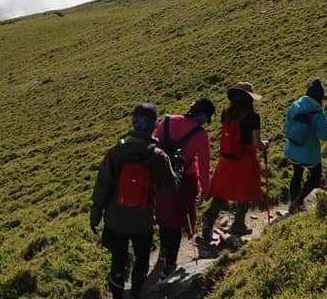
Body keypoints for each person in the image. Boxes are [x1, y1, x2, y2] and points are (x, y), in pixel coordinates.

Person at [90, 103, 180, 299]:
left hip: (115, 220)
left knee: (117, 261)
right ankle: (136, 294)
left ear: (133, 122)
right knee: (141, 261)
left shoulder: (115, 152)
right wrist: (177, 171)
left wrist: (95, 216)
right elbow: (169, 191)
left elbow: (102, 187)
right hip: (143, 222)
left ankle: (117, 296)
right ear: (153, 125)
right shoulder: (159, 156)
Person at [152, 97, 215, 278]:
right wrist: (206, 190)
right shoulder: (201, 135)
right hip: (185, 180)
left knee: (164, 216)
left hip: (162, 177)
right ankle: (170, 263)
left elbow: (154, 147)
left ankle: (163, 252)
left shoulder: (167, 121)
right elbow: (204, 166)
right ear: (204, 116)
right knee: (177, 222)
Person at [201, 82, 267, 241]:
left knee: (221, 191)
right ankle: (238, 223)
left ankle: (209, 218)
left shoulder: (226, 113)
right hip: (245, 159)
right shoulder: (253, 117)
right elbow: (256, 143)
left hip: (226, 159)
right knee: (245, 190)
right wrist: (265, 144)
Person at [283, 78, 327, 213]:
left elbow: (286, 126)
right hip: (309, 153)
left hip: (293, 147)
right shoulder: (318, 112)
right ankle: (299, 200)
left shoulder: (295, 105)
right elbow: (324, 135)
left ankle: (293, 202)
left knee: (297, 174)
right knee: (316, 175)